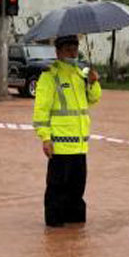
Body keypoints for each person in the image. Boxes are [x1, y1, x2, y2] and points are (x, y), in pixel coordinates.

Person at [32, 34, 101, 227]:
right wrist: (45, 138)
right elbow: (41, 111)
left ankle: (75, 225)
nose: (73, 53)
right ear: (58, 52)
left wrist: (94, 83)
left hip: (80, 145)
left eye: (75, 49)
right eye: (69, 50)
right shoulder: (49, 77)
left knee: (77, 188)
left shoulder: (81, 74)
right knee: (56, 188)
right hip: (60, 145)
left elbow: (93, 100)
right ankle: (54, 226)